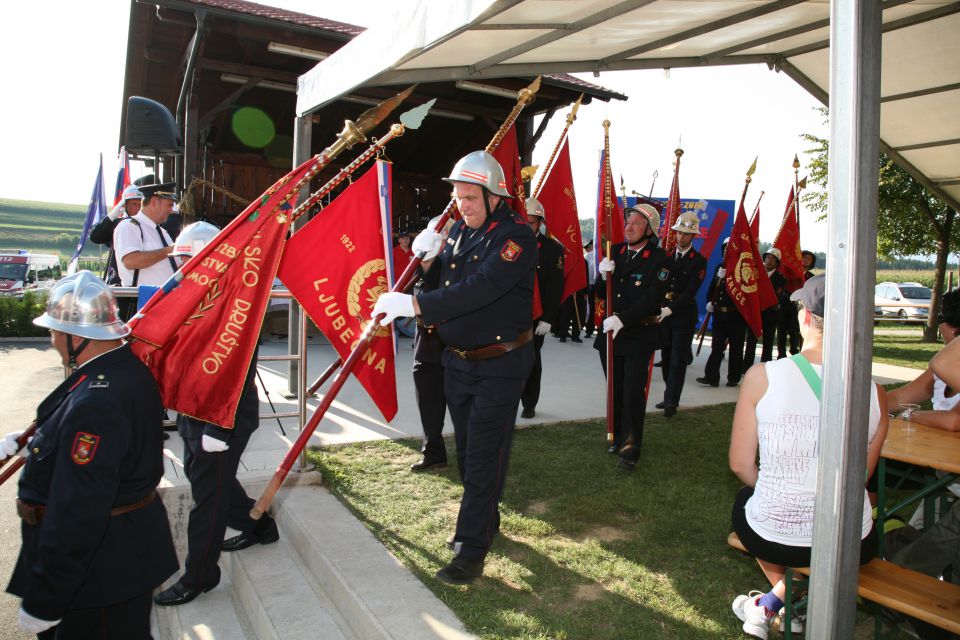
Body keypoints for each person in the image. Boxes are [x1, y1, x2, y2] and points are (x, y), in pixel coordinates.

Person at [372, 150, 537, 585]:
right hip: (458, 362)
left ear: (494, 195)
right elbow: (448, 282)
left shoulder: (516, 237)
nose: (462, 206)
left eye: (470, 198)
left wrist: (415, 304)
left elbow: (481, 288)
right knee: (468, 453)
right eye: (458, 197)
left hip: (500, 364)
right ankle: (486, 519)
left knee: (482, 455)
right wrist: (428, 261)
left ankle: (471, 547)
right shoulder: (462, 231)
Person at [3, 271, 178, 638]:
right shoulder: (116, 370)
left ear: (78, 338)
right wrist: (33, 440)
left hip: (98, 573)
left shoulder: (99, 399)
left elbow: (78, 510)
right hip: (116, 558)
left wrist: (47, 598)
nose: (51, 339)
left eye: (54, 331)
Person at [728, 275, 888, 639]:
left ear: (805, 319)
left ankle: (775, 601)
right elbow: (860, 475)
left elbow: (739, 464)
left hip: (777, 533)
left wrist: (777, 488)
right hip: (853, 539)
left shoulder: (761, 376)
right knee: (815, 535)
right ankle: (779, 602)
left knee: (746, 505)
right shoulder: (878, 394)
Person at [153, 225, 277, 607]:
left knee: (206, 499)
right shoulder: (193, 293)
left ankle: (201, 575)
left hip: (224, 416)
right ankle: (260, 527)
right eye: (184, 261)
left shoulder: (240, 301)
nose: (187, 268)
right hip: (195, 410)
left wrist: (219, 426)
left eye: (194, 260)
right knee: (208, 480)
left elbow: (236, 368)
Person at [594, 204, 671, 470]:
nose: (628, 227)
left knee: (631, 393)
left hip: (638, 334)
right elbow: (599, 292)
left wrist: (622, 319)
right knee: (614, 389)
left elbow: (651, 300)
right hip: (611, 335)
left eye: (636, 223)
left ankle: (630, 448)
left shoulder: (660, 259)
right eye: (628, 222)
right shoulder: (614, 252)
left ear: (649, 229)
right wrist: (602, 275)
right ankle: (614, 436)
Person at [655, 212, 706, 418]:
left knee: (678, 359)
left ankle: (672, 402)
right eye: (678, 233)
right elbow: (659, 282)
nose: (681, 237)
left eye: (686, 234)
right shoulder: (667, 257)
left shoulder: (698, 261)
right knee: (666, 359)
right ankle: (669, 393)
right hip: (664, 312)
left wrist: (671, 308)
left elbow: (690, 292)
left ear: (693, 236)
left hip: (683, 314)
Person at [892, 289, 960, 431]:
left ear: (953, 326)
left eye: (940, 317)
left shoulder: (944, 365)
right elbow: (899, 398)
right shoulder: (940, 371)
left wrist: (910, 415)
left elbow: (953, 420)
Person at [521, 197, 564, 419]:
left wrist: (548, 318)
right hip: (512, 314)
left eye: (531, 222)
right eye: (524, 222)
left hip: (537, 316)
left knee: (531, 359)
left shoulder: (552, 249)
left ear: (540, 223)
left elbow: (555, 287)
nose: (527, 226)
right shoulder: (510, 244)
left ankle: (529, 402)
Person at [112, 182, 180, 320]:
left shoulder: (162, 232)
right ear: (154, 201)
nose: (171, 210)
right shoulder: (129, 226)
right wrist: (168, 250)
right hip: (142, 305)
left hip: (163, 304)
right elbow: (131, 261)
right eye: (169, 204)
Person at [697, 238, 748, 387]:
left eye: (730, 249)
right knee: (716, 346)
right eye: (725, 249)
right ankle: (711, 376)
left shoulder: (743, 269)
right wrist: (709, 302)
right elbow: (713, 288)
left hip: (736, 316)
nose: (727, 251)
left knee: (736, 348)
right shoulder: (720, 267)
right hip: (719, 314)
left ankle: (733, 377)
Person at [89, 185, 143, 285]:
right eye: (134, 204)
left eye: (141, 204)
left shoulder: (150, 225)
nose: (138, 208)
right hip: (119, 282)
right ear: (125, 205)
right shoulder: (117, 224)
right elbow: (95, 237)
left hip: (143, 280)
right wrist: (112, 215)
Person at [743, 249, 783, 369]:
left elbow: (777, 296)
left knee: (768, 342)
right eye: (767, 258)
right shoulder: (757, 274)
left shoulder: (780, 278)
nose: (769, 261)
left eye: (773, 259)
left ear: (777, 263)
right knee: (751, 341)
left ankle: (765, 368)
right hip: (756, 313)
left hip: (770, 314)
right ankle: (746, 367)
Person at [583, 238, 597, 338]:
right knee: (590, 308)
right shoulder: (587, 256)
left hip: (599, 285)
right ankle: (589, 329)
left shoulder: (600, 256)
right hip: (591, 285)